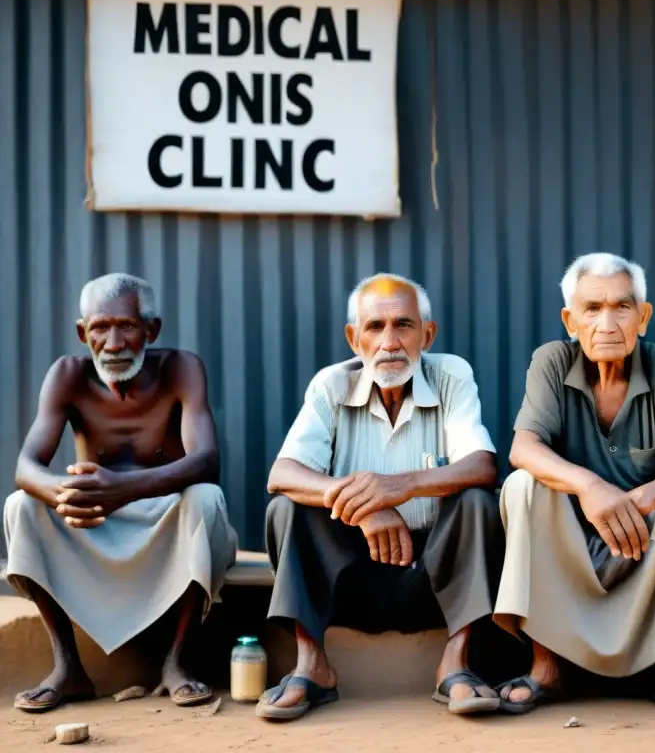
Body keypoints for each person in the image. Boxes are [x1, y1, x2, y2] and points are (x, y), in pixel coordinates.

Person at [493, 252, 655, 722]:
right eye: (592, 309)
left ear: (642, 317)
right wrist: (590, 487)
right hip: (573, 546)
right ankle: (545, 666)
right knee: (522, 486)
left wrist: (640, 500)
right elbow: (523, 448)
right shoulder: (551, 361)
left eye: (621, 308)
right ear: (571, 320)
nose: (607, 323)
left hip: (646, 543)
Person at [259, 273, 505, 721]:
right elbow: (283, 473)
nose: (389, 342)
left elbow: (483, 466)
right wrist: (363, 505)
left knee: (477, 502)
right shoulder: (331, 385)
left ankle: (457, 663)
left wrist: (402, 485)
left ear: (427, 335)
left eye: (403, 325)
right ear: (354, 339)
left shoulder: (451, 376)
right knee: (287, 507)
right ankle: (312, 664)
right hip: (350, 582)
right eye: (374, 327)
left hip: (433, 579)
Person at [3, 273, 238, 712]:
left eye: (127, 326)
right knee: (21, 505)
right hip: (97, 522)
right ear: (82, 333)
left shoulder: (181, 368)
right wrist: (64, 492)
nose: (113, 343)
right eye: (99, 328)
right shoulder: (68, 374)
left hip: (163, 521)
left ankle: (176, 663)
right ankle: (68, 667)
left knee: (205, 497)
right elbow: (25, 467)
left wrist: (121, 489)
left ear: (152, 329)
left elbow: (206, 461)